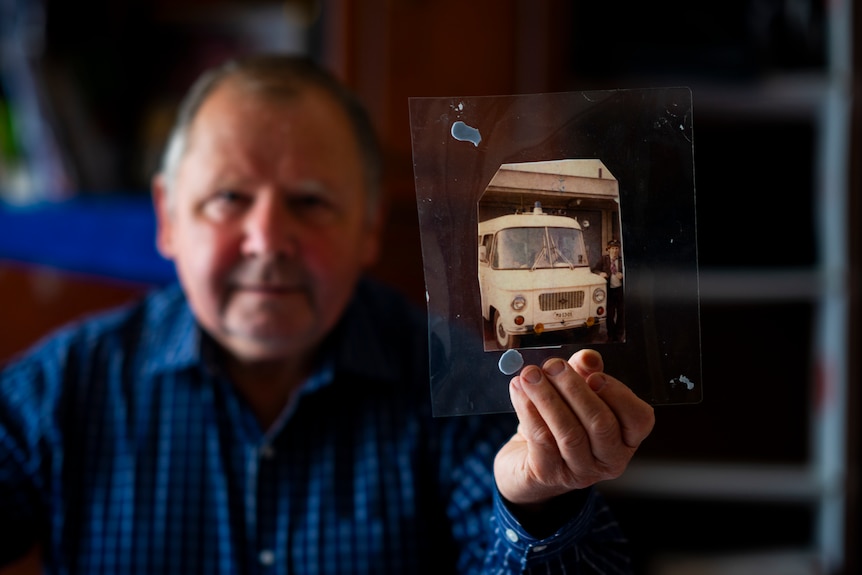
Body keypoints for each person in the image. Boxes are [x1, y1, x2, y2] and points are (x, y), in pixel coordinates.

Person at [0, 54, 654, 574]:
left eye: (310, 202)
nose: (267, 241)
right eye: (228, 198)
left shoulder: (466, 385)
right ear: (168, 218)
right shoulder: (58, 390)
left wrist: (537, 507)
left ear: (368, 227)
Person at [593, 239, 625, 342]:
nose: (615, 251)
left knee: (621, 313)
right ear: (608, 249)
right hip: (609, 292)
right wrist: (600, 273)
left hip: (620, 291)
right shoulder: (604, 259)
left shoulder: (622, 261)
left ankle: (619, 335)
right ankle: (610, 335)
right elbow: (594, 270)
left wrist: (623, 276)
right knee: (610, 315)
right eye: (613, 248)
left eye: (617, 248)